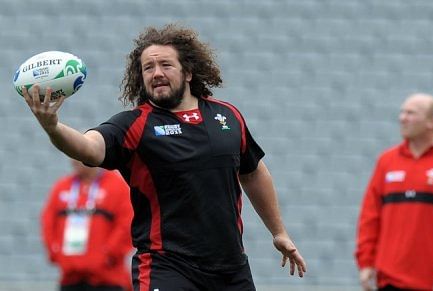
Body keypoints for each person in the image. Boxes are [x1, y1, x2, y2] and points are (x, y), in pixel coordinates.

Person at [25, 23, 306, 291]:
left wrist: (278, 231)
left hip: (230, 268)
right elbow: (89, 147)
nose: (156, 72)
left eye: (165, 65)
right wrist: (53, 128)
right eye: (148, 67)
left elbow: (253, 172)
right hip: (166, 266)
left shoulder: (227, 117)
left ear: (188, 72)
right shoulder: (134, 125)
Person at [354, 93, 433, 291]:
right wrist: (366, 261)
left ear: (432, 121)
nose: (402, 118)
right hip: (389, 280)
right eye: (402, 112)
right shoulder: (387, 162)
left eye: (411, 113)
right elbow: (370, 216)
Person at [41, 159, 133, 291]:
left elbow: (126, 225)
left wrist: (107, 255)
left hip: (107, 279)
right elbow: (48, 223)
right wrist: (57, 253)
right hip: (70, 278)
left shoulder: (117, 186)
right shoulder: (62, 187)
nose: (74, 160)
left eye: (79, 155)